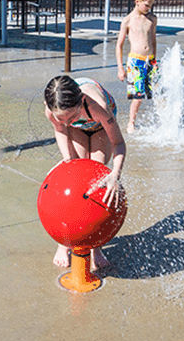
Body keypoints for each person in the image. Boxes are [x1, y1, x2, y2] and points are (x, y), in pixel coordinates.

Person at [44, 75, 127, 269]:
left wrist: (115, 174)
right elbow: (61, 129)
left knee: (95, 182)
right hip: (78, 128)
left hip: (100, 127)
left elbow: (119, 143)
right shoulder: (54, 111)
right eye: (61, 118)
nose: (65, 121)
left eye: (71, 116)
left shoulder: (97, 106)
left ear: (81, 101)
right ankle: (63, 243)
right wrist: (68, 159)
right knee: (76, 175)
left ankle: (96, 245)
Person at [116, 0, 158, 132]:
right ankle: (131, 122)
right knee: (138, 96)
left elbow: (153, 41)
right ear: (137, 1)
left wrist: (155, 60)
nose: (149, 8)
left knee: (158, 91)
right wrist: (120, 68)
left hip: (150, 60)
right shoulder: (128, 20)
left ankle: (165, 121)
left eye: (151, 5)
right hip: (135, 60)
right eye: (147, 5)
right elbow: (119, 45)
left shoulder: (152, 19)